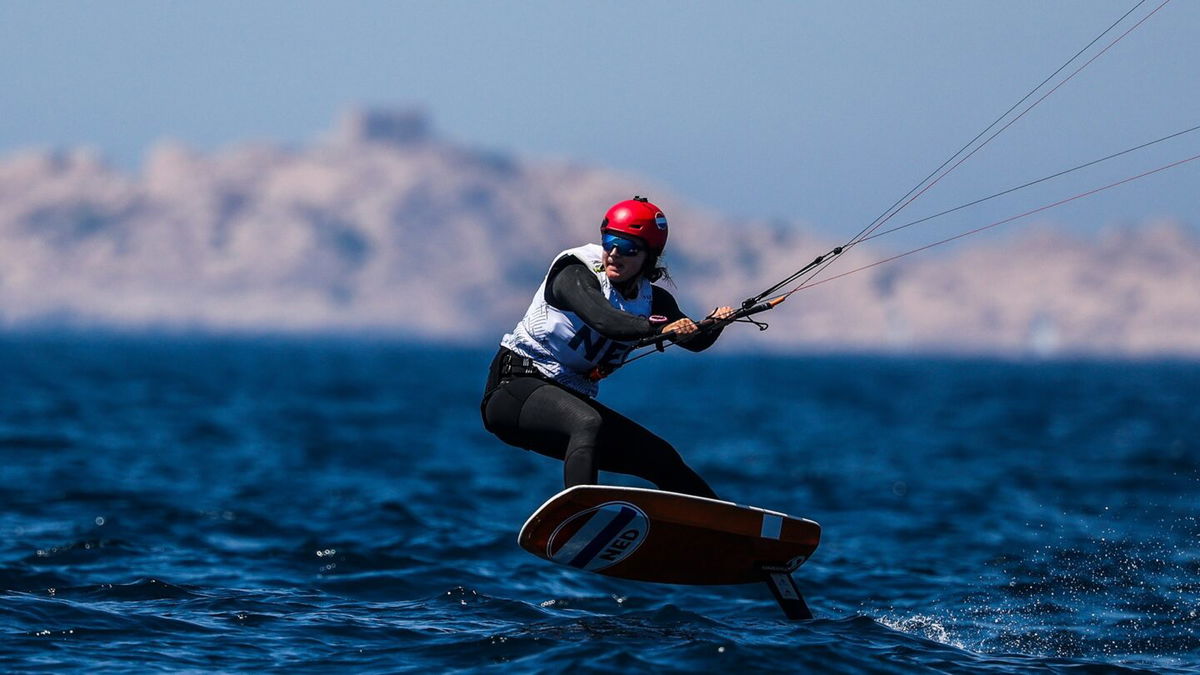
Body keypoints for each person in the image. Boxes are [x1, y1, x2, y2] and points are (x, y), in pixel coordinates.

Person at [480, 196, 735, 499]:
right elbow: (604, 320)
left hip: (564, 402)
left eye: (628, 248)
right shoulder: (574, 272)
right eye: (610, 241)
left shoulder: (653, 301)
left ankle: (725, 532)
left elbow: (695, 342)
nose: (614, 254)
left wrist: (714, 324)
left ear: (648, 256)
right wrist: (660, 328)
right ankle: (581, 518)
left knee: (662, 458)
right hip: (514, 390)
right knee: (587, 422)